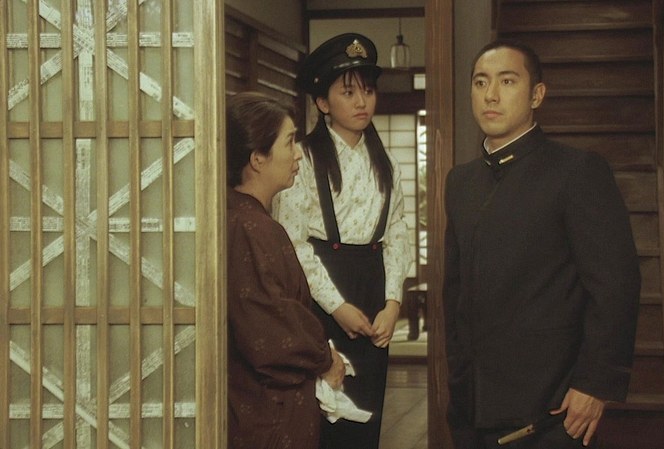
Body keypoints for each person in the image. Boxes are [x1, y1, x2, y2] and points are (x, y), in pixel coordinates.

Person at [443, 40, 642, 449]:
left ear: (536, 95)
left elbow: (615, 286)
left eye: (507, 81)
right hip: (472, 408)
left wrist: (595, 385)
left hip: (551, 412)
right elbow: (455, 291)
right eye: (480, 82)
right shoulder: (461, 182)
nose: (491, 95)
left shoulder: (576, 171)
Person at [273, 33, 411, 449]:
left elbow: (397, 232)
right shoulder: (302, 158)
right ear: (322, 102)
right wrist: (336, 306)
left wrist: (393, 303)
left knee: (366, 422)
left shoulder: (387, 163)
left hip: (373, 289)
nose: (361, 102)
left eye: (368, 91)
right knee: (324, 419)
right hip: (321, 295)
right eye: (348, 93)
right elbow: (293, 243)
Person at [226, 91, 345, 449]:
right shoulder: (250, 227)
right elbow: (268, 327)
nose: (298, 154)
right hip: (267, 412)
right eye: (289, 141)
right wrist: (325, 358)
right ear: (257, 159)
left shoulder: (245, 218)